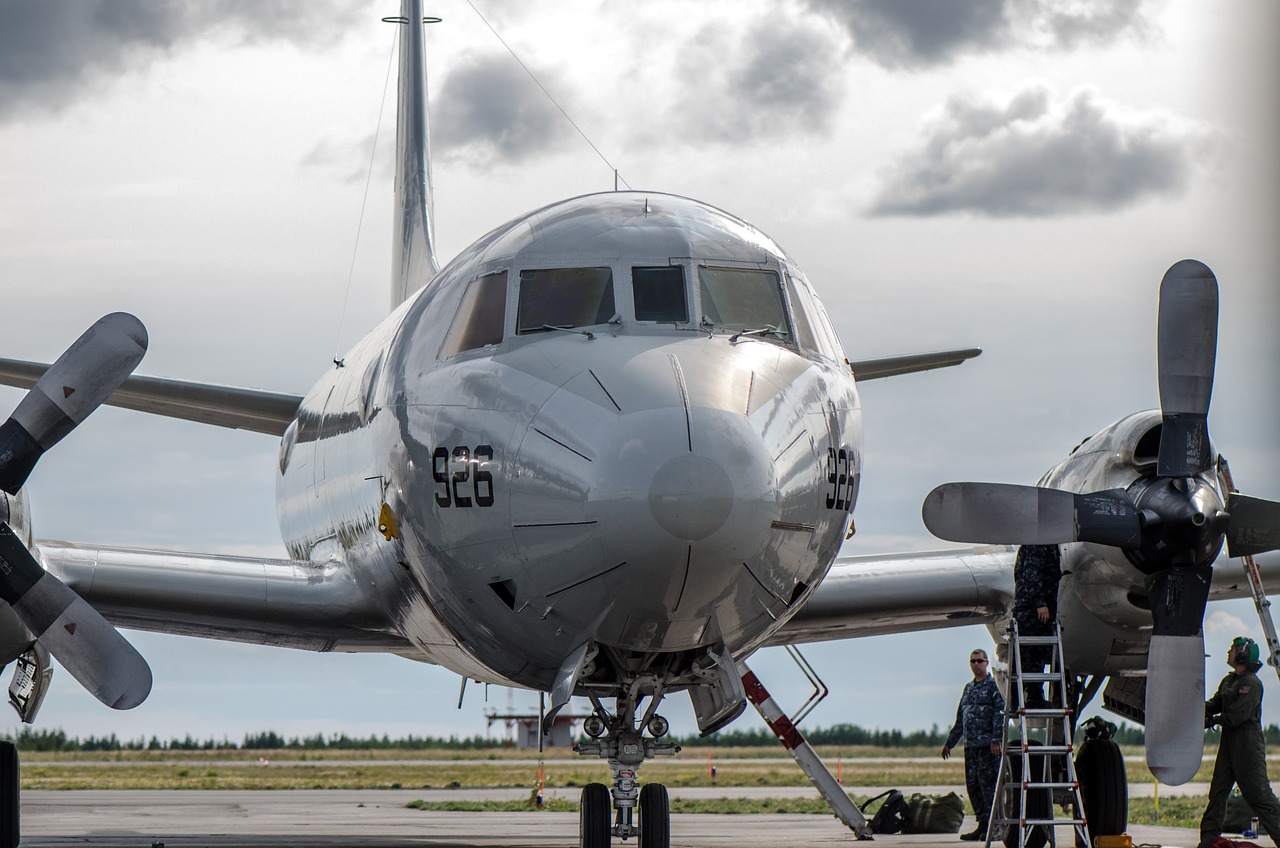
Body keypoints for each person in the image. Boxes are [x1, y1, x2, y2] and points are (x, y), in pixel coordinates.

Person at [1200, 636, 1280, 848]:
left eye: (1233, 649)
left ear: (1243, 654)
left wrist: (1213, 720)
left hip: (1248, 746)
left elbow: (1237, 715)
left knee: (1259, 796)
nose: (1229, 652)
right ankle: (1208, 840)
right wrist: (1199, 708)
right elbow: (1216, 703)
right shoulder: (1229, 682)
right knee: (1217, 792)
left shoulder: (1251, 684)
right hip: (1229, 745)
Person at [943, 648, 1005, 840]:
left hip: (987, 747)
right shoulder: (969, 688)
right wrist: (950, 743)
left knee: (989, 788)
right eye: (973, 661)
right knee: (974, 787)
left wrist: (996, 740)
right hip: (971, 747)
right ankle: (983, 825)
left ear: (987, 663)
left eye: (979, 661)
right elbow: (961, 718)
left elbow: (999, 714)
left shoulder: (994, 687)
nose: (976, 665)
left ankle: (995, 828)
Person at [1012, 544, 1061, 707]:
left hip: (1039, 608)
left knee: (1037, 652)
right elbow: (1030, 575)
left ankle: (1033, 696)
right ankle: (1019, 696)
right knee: (1028, 653)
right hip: (1032, 610)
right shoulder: (1038, 543)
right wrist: (1040, 603)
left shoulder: (1048, 543)